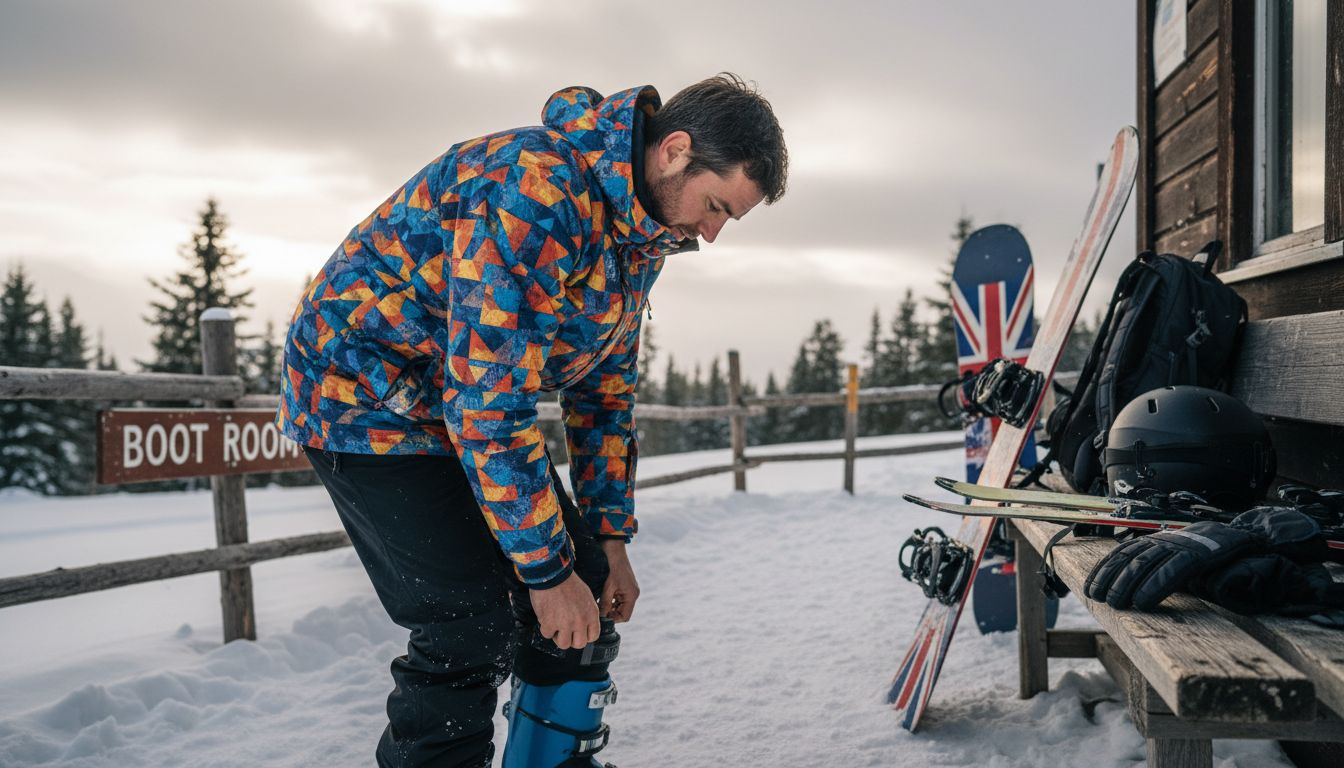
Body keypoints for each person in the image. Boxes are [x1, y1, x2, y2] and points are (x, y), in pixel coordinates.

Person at [276, 73, 788, 767]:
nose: (713, 232)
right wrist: (543, 578)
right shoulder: (535, 187)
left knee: (585, 595)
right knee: (469, 622)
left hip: (454, 405)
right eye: (718, 205)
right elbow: (488, 400)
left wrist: (607, 538)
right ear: (674, 151)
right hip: (361, 401)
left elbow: (603, 394)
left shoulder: (642, 236)